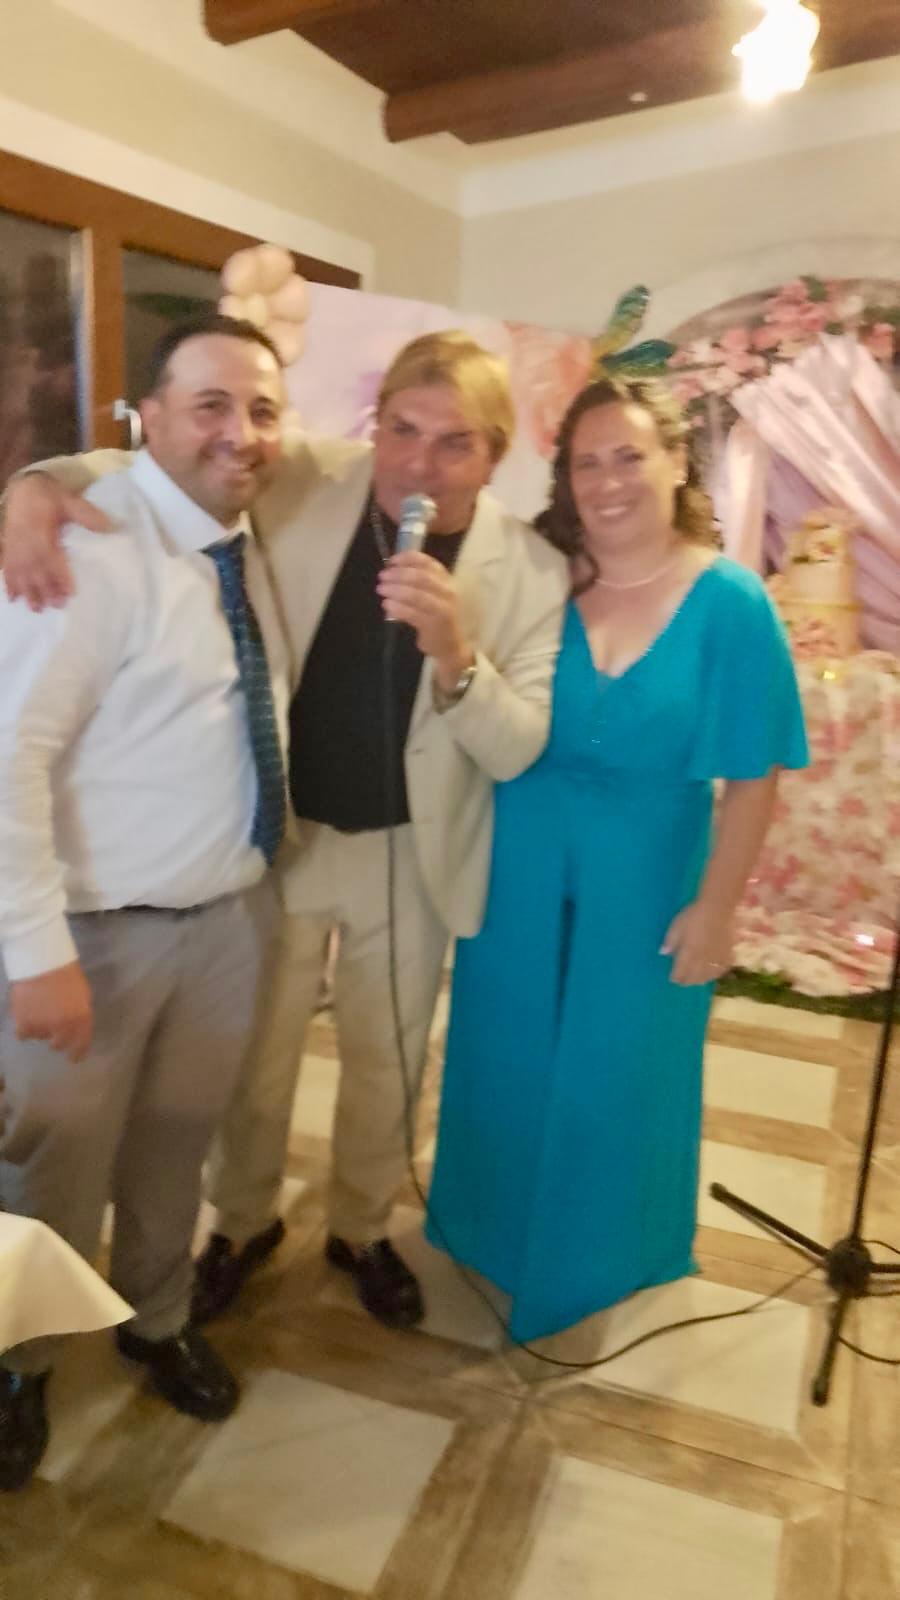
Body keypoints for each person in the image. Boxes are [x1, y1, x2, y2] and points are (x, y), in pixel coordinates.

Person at [1, 331, 569, 1332]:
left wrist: (456, 657)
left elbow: (518, 746)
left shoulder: (530, 568)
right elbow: (168, 454)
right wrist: (36, 484)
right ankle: (242, 1223)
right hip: (283, 836)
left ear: (495, 454)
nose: (421, 463)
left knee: (387, 1060)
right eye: (403, 430)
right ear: (375, 426)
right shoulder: (308, 472)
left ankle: (360, 1226)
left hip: (411, 851)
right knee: (253, 1066)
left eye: (456, 443)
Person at [426, 376, 809, 1343]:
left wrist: (717, 908)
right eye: (585, 463)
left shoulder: (730, 601)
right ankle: (490, 1228)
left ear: (676, 462)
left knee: (621, 1066)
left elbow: (754, 778)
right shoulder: (538, 577)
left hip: (647, 877)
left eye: (628, 456)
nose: (606, 481)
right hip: (518, 866)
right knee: (506, 1049)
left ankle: (602, 1254)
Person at [0, 312, 289, 1490]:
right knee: (53, 1167)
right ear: (149, 416)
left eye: (261, 408)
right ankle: (21, 1364)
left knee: (175, 1146)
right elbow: (9, 754)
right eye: (210, 404)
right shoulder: (90, 545)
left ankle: (158, 1318)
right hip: (93, 937)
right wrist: (35, 951)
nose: (240, 431)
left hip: (223, 921)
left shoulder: (240, 540)